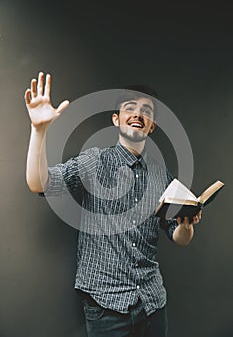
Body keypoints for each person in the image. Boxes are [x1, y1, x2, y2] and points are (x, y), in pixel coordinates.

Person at [25, 72, 201, 337]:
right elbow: (39, 183)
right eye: (130, 108)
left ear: (152, 126)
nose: (138, 114)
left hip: (153, 303)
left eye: (146, 110)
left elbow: (178, 237)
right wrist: (38, 131)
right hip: (106, 308)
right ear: (116, 120)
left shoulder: (162, 177)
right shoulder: (95, 162)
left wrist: (186, 225)